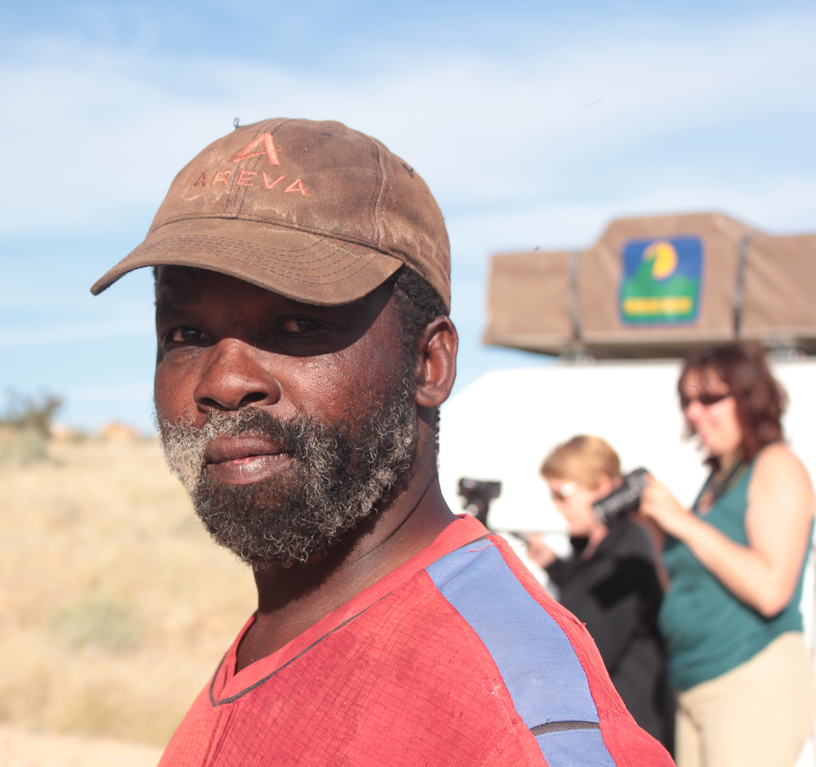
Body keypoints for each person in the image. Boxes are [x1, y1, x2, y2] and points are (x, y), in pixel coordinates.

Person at [91, 118, 671, 765]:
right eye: (186, 334)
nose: (224, 381)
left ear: (429, 364)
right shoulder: (281, 636)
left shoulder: (516, 726)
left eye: (296, 322)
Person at [639, 341, 816, 767]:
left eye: (710, 399)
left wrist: (683, 522)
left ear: (750, 398)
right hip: (693, 684)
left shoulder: (777, 465)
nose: (694, 413)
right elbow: (683, 587)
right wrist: (658, 531)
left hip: (750, 678)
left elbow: (771, 590)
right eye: (688, 401)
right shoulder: (717, 481)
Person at [526, 436, 674, 752]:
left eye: (562, 495)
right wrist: (555, 567)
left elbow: (593, 641)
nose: (556, 505)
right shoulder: (593, 548)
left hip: (633, 733)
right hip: (604, 731)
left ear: (602, 486)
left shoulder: (628, 550)